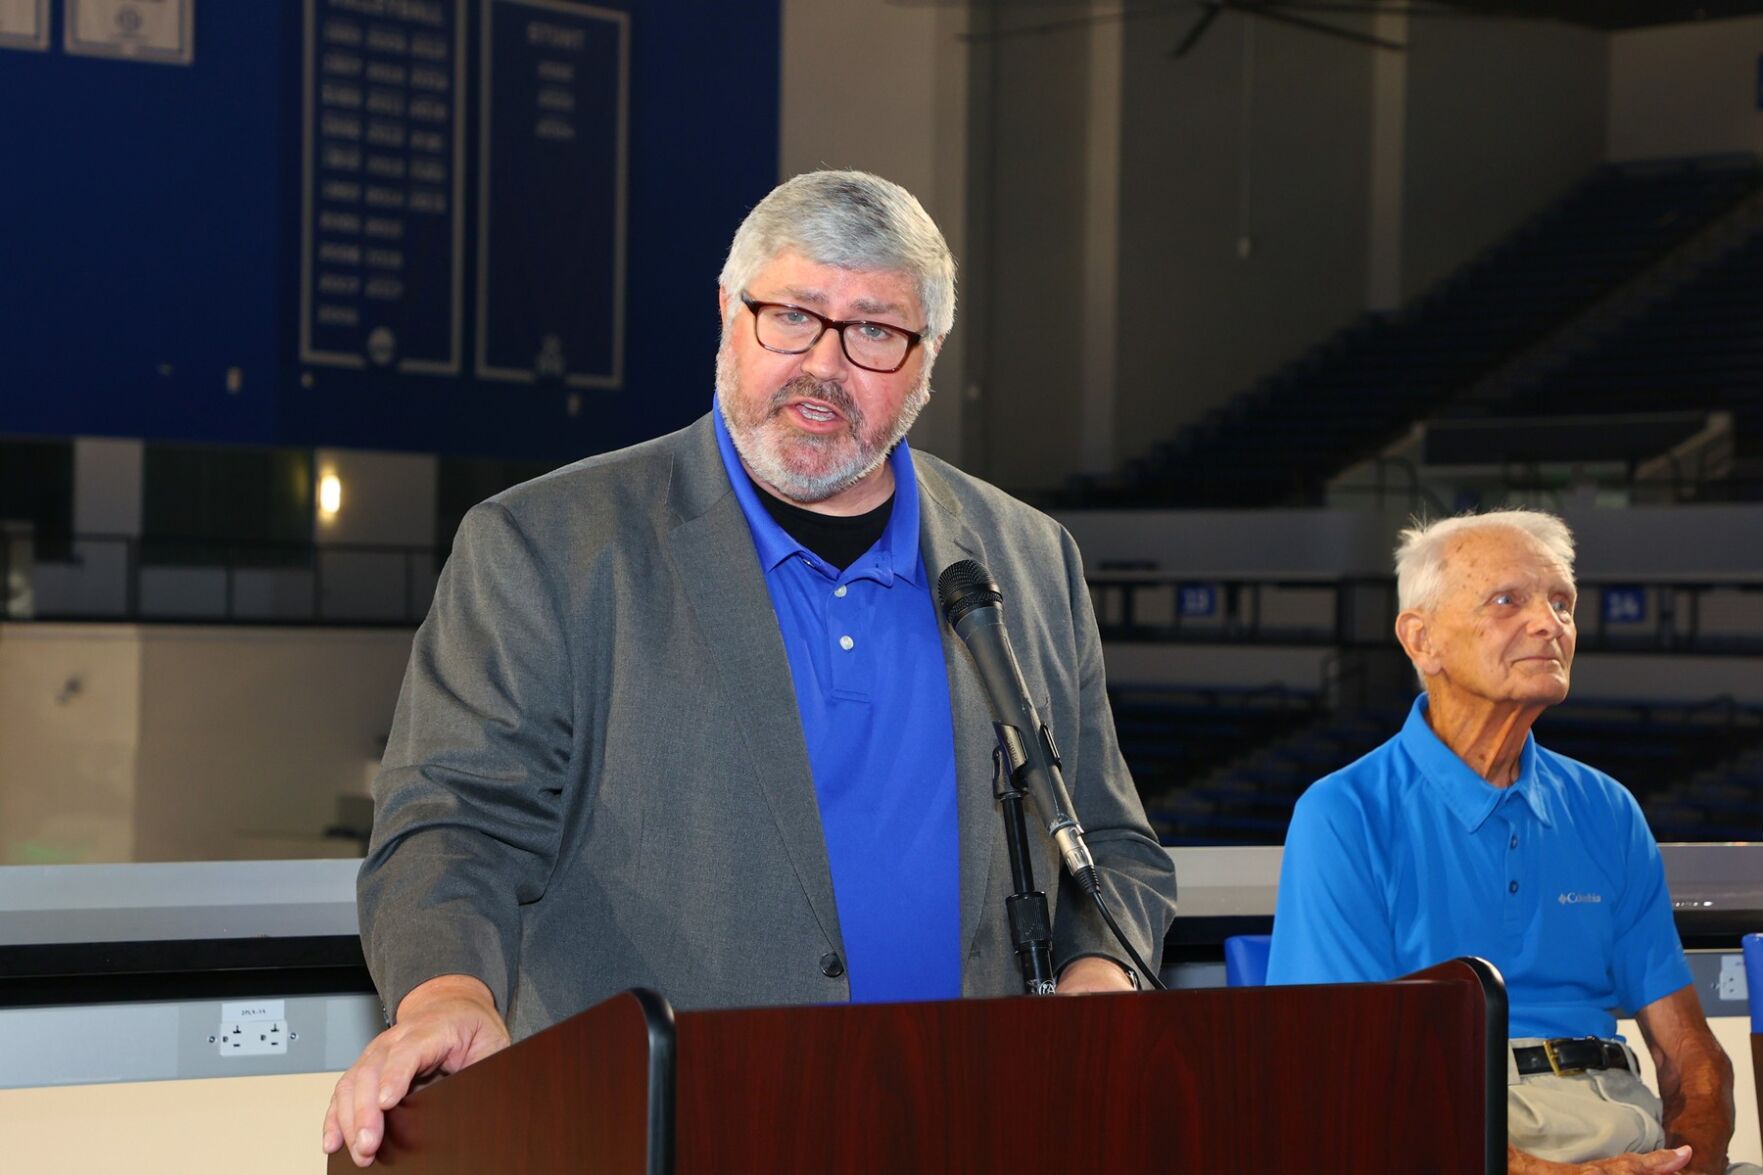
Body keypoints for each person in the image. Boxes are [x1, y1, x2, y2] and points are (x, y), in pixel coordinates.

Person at [323, 170, 1178, 1167]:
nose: (822, 364)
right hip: (662, 1131)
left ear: (927, 358)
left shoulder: (1025, 558)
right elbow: (453, 822)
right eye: (792, 316)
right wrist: (447, 995)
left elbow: (1107, 841)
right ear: (729, 314)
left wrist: (1098, 973)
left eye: (873, 331)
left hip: (970, 1124)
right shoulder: (546, 545)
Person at [1267, 509, 1754, 1175]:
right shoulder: (1345, 814)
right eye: (1507, 600)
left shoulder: (1606, 809)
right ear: (1421, 640)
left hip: (1623, 1123)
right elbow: (1340, 1073)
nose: (1549, 624)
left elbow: (1689, 1056)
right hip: (1453, 1124)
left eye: (1562, 603)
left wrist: (1689, 1161)